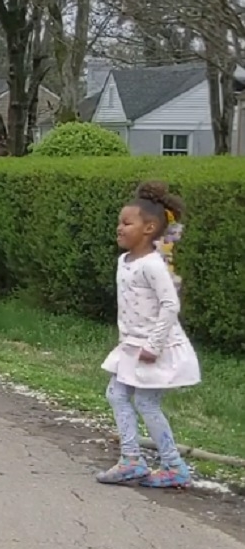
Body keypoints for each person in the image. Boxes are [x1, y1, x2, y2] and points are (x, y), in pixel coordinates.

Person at [95, 180, 199, 488]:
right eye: (119, 222)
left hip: (157, 349)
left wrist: (153, 345)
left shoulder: (152, 265)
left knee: (146, 403)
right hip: (132, 347)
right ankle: (131, 459)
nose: (119, 228)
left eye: (127, 223)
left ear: (149, 228)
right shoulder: (124, 262)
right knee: (116, 394)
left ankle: (173, 465)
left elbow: (170, 305)